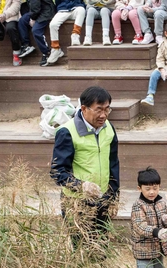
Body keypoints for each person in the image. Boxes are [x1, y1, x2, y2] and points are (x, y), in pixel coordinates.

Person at [51, 85, 120, 244]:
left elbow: (113, 163)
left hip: (103, 199)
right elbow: (57, 171)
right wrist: (81, 186)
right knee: (82, 249)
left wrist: (114, 197)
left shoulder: (108, 128)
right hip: (77, 203)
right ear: (84, 108)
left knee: (101, 248)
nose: (103, 115)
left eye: (107, 109)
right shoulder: (67, 132)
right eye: (98, 110)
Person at [47, 0, 85, 65]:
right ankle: (56, 49)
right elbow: (57, 2)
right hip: (62, 10)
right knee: (53, 24)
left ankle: (75, 35)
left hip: (76, 8)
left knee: (82, 10)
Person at [17, 0, 54, 66]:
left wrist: (33, 18)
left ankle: (47, 53)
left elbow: (35, 5)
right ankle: (26, 45)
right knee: (22, 21)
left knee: (36, 31)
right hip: (38, 10)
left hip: (46, 11)